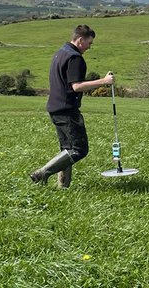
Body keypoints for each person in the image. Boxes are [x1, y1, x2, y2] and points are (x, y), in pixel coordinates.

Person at [30, 24, 114, 188]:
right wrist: (104, 82)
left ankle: (63, 186)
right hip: (67, 109)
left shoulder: (60, 53)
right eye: (89, 43)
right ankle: (41, 173)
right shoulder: (75, 58)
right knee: (78, 149)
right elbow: (76, 86)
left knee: (67, 149)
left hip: (55, 107)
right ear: (81, 40)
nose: (90, 47)